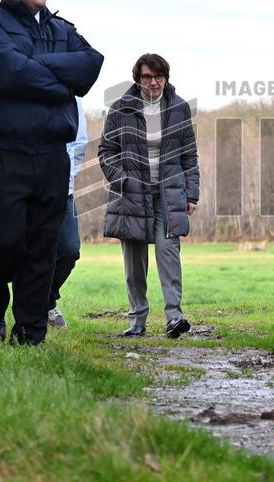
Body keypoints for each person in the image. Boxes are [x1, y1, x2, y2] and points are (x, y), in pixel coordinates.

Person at [0, 0, 103, 345]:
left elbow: (91, 65)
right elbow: (5, 73)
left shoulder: (63, 30)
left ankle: (30, 331)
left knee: (43, 247)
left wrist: (31, 67)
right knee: (3, 243)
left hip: (51, 156)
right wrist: (59, 81)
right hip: (0, 154)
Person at [98, 54, 199, 338]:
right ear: (138, 79)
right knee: (134, 263)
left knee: (169, 254)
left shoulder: (179, 108)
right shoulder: (120, 109)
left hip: (167, 195)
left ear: (165, 77)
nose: (152, 82)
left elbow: (189, 155)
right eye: (146, 77)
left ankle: (174, 319)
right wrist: (123, 179)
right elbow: (105, 152)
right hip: (131, 195)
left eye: (158, 76)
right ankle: (137, 321)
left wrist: (192, 194)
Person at [47, 97, 87, 329]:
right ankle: (37, 306)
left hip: (64, 190)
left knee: (70, 250)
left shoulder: (74, 99)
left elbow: (79, 142)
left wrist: (66, 175)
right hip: (32, 187)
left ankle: (46, 300)